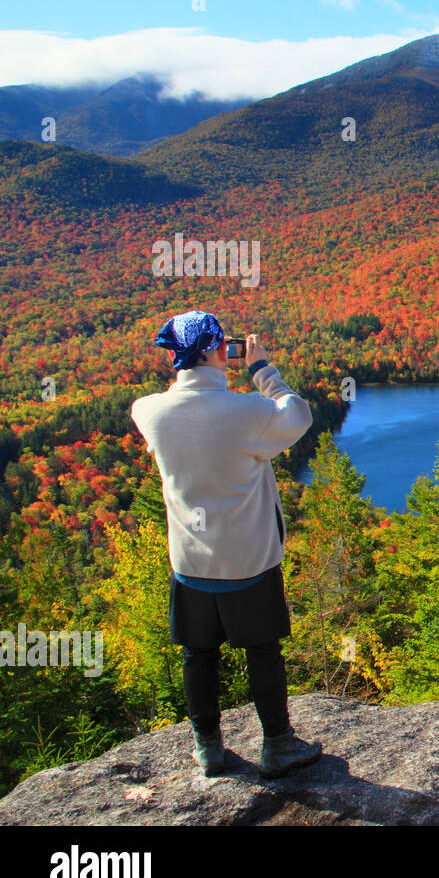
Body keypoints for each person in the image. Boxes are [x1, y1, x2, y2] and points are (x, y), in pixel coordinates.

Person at [130, 310, 322, 779]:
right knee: (262, 653)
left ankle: (208, 748)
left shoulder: (149, 412)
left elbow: (155, 418)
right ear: (219, 350)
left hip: (190, 563)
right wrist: (262, 371)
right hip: (249, 562)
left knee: (198, 655)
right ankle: (277, 745)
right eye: (225, 346)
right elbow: (297, 415)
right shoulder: (248, 413)